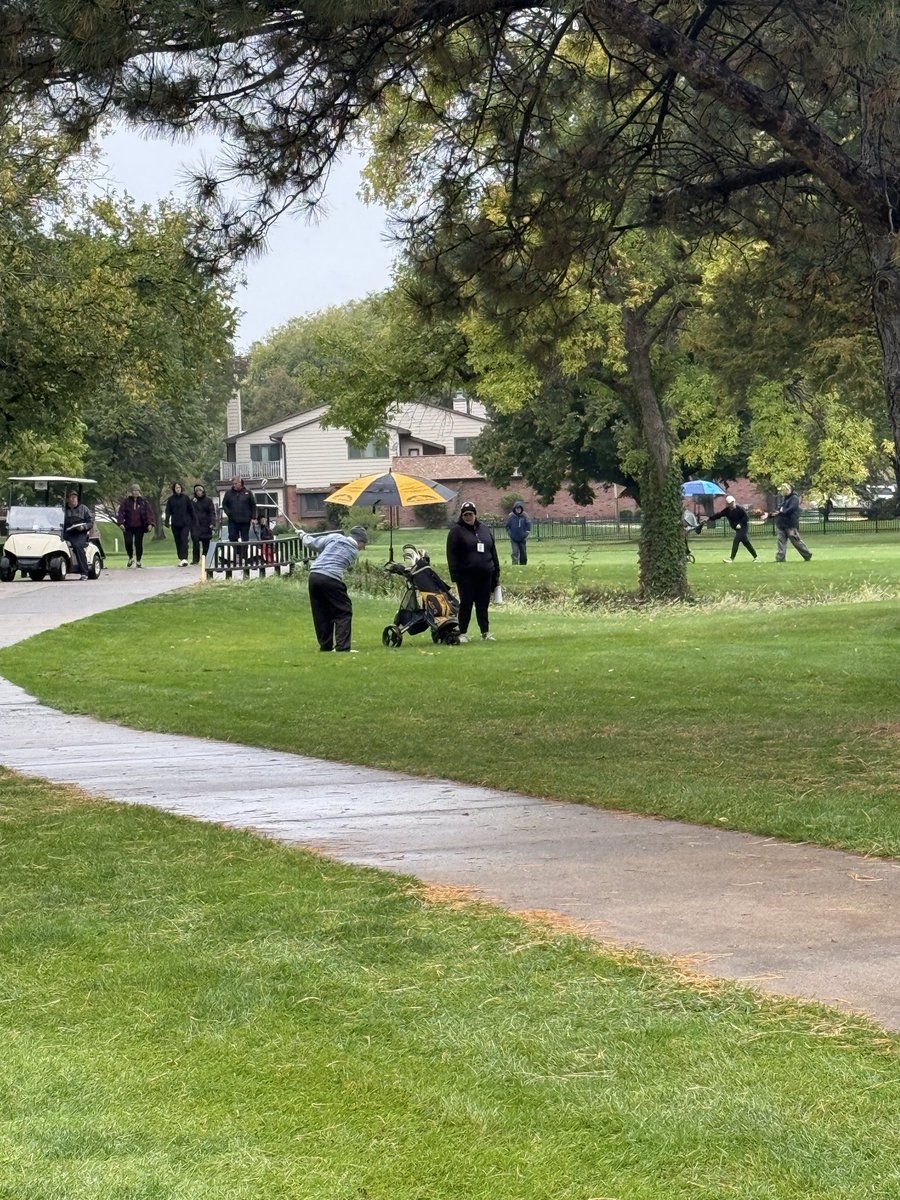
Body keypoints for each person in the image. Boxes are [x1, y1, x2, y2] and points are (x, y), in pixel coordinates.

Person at [301, 525, 368, 652]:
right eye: (363, 545)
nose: (362, 548)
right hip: (331, 578)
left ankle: (325, 646)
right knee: (343, 611)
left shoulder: (334, 537)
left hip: (314, 576)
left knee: (321, 611)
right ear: (359, 541)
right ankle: (342, 647)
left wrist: (303, 535)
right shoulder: (354, 553)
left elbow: (313, 544)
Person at [446, 501, 501, 643]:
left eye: (470, 514)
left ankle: (485, 632)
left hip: (485, 574)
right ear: (462, 515)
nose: (468, 517)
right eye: (465, 514)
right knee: (466, 604)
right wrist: (455, 575)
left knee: (483, 605)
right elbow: (451, 554)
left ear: (475, 514)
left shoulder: (484, 529)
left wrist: (496, 571)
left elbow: (492, 550)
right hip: (466, 576)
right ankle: (463, 632)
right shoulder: (456, 531)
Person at [767, 484, 813, 562]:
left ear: (790, 489)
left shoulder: (794, 498)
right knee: (781, 542)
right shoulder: (784, 499)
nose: (785, 491)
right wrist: (769, 515)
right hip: (781, 525)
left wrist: (781, 512)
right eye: (783, 490)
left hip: (790, 525)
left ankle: (807, 555)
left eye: (786, 489)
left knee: (796, 542)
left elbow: (790, 510)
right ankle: (780, 558)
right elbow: (779, 510)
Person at [708, 494, 759, 562]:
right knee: (746, 542)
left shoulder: (740, 509)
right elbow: (719, 515)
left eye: (732, 502)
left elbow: (746, 518)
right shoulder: (727, 510)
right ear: (728, 504)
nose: (732, 504)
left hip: (743, 527)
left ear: (734, 501)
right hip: (737, 528)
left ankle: (731, 558)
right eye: (730, 503)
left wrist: (740, 524)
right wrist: (709, 519)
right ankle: (756, 557)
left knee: (736, 540)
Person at [116, 484, 155, 568]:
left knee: (138, 543)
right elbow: (120, 513)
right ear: (131, 492)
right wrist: (121, 523)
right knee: (128, 542)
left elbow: (149, 513)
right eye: (133, 490)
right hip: (128, 526)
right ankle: (130, 557)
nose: (135, 492)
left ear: (139, 492)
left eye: (137, 490)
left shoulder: (144, 502)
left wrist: (150, 524)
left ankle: (138, 560)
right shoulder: (126, 502)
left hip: (139, 526)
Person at [222, 476, 257, 560]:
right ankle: (238, 552)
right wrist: (228, 513)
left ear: (240, 483)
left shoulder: (248, 492)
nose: (234, 485)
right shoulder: (228, 493)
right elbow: (224, 504)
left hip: (245, 520)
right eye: (233, 484)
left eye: (236, 483)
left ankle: (244, 555)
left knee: (245, 538)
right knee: (232, 537)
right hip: (233, 520)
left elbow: (253, 505)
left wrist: (253, 517)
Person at [164, 482, 196, 567]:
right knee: (178, 541)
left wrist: (194, 520)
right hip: (175, 523)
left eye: (179, 487)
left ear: (181, 488)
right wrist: (166, 521)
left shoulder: (185, 498)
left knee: (184, 539)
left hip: (185, 523)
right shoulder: (171, 499)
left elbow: (191, 509)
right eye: (176, 487)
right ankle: (181, 558)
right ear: (174, 489)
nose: (178, 489)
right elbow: (168, 511)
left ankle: (184, 558)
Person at [63, 490, 93, 580]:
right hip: (67, 532)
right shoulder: (63, 509)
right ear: (68, 499)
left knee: (77, 546)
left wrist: (83, 527)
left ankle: (84, 572)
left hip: (79, 533)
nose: (73, 499)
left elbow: (90, 522)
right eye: (71, 498)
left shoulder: (83, 508)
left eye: (75, 497)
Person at [190, 484, 217, 565]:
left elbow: (212, 512)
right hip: (195, 524)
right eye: (197, 491)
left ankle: (205, 558)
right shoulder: (192, 501)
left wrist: (212, 523)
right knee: (195, 542)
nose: (198, 492)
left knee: (206, 543)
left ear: (203, 491)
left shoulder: (208, 501)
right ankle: (195, 560)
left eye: (200, 490)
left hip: (206, 524)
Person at [506, 501, 531, 565]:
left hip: (523, 538)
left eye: (519, 508)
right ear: (514, 509)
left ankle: (523, 564)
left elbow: (528, 525)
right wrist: (510, 534)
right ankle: (515, 564)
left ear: (521, 508)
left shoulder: (525, 515)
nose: (518, 509)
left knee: (523, 552)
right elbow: (507, 526)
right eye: (517, 508)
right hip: (513, 538)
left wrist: (526, 534)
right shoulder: (511, 516)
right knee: (515, 552)